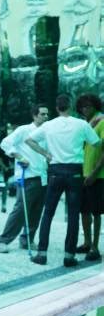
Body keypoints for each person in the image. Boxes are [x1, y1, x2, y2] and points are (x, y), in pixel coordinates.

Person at [26, 94, 101, 267]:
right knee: (74, 214)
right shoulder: (82, 124)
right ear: (71, 106)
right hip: (75, 172)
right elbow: (97, 144)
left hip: (55, 171)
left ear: (57, 108)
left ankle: (41, 254)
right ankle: (69, 256)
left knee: (48, 213)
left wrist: (45, 153)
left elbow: (29, 140)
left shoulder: (49, 125)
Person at [0, 104, 49, 252]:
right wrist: (19, 156)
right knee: (21, 209)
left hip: (43, 177)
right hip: (28, 175)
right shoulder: (24, 130)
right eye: (43, 114)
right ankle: (3, 240)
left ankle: (27, 239)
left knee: (36, 211)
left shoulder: (47, 132)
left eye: (47, 114)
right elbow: (5, 143)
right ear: (34, 115)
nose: (46, 117)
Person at [75, 93, 104, 261]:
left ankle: (95, 246)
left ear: (95, 106)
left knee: (96, 211)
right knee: (84, 210)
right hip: (82, 172)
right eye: (83, 107)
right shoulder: (84, 124)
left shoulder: (102, 121)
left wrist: (94, 173)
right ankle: (86, 242)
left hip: (97, 175)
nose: (85, 109)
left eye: (88, 106)